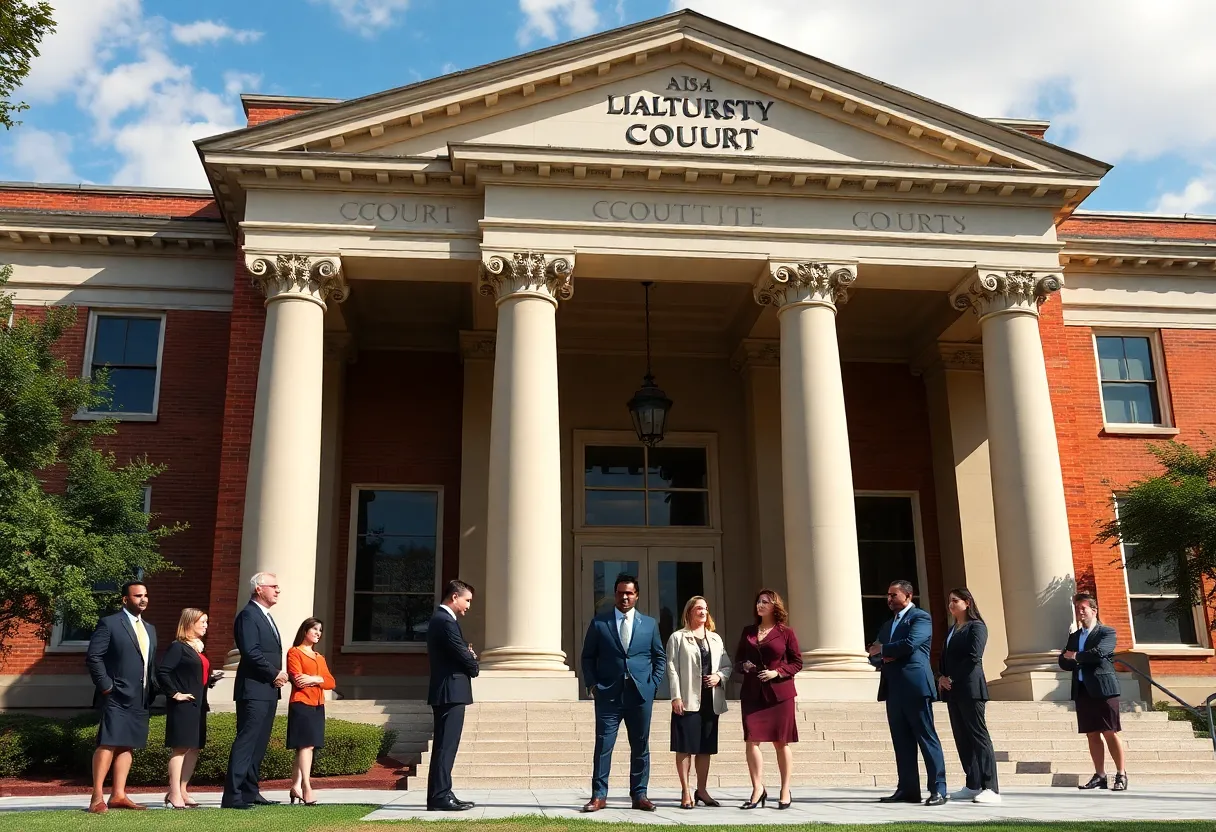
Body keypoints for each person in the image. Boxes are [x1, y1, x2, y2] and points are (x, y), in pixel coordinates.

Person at [580, 573, 665, 813]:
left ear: (636, 595)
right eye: (620, 593)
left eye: (629, 593)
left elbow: (659, 656)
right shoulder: (600, 623)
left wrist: (653, 684)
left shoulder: (649, 624)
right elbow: (588, 657)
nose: (624, 597)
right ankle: (599, 795)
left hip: (640, 694)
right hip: (608, 694)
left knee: (640, 745)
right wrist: (593, 685)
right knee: (603, 744)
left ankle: (640, 795)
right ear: (615, 595)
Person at [868, 579, 948, 806]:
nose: (889, 599)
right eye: (888, 595)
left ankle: (938, 789)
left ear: (908, 596)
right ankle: (907, 789)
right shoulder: (887, 625)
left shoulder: (920, 618)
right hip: (893, 688)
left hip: (915, 687)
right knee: (901, 741)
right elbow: (873, 653)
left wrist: (884, 650)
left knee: (926, 737)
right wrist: (882, 654)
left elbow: (911, 643)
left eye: (894, 595)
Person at [84, 580, 158, 814]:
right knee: (108, 742)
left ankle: (118, 795)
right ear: (125, 599)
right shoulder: (110, 624)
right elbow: (94, 657)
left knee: (127, 746)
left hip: (140, 696)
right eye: (137, 596)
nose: (143, 599)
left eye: (145, 595)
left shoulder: (150, 629)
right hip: (116, 695)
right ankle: (97, 797)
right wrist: (107, 686)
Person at [222, 572, 289, 810]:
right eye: (274, 586)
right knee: (247, 741)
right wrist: (274, 673)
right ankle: (233, 796)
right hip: (253, 690)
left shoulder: (265, 616)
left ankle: (250, 792)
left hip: (267, 690)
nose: (278, 590)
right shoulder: (248, 615)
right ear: (259, 589)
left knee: (259, 743)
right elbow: (250, 652)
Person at [734, 588, 802, 810]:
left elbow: (797, 662)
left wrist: (778, 672)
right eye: (758, 601)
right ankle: (757, 788)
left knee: (780, 742)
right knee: (751, 740)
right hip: (753, 694)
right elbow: (738, 660)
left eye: (765, 602)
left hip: (779, 695)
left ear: (775, 606)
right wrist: (744, 666)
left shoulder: (786, 633)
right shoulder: (748, 631)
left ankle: (784, 789)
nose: (759, 605)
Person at [666, 596, 732, 810]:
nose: (703, 612)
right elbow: (672, 668)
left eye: (705, 608)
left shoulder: (715, 639)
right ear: (689, 612)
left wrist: (719, 677)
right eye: (698, 609)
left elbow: (726, 665)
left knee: (705, 748)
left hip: (710, 701)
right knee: (685, 747)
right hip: (687, 700)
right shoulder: (678, 637)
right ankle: (686, 791)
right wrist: (675, 696)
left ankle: (701, 790)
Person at [1059, 592, 1127, 791]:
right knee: (1091, 734)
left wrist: (1076, 656)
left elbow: (1099, 654)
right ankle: (1100, 775)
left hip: (1104, 690)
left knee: (1109, 732)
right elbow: (1063, 660)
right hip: (1082, 690)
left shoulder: (1106, 632)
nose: (1080, 612)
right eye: (1077, 609)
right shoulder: (1074, 636)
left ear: (1094, 611)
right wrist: (1073, 657)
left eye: (1083, 608)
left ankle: (1121, 774)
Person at [938, 588, 999, 804]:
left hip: (971, 689)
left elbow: (974, 657)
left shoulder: (977, 627)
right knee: (962, 738)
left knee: (978, 737)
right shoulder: (952, 629)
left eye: (955, 600)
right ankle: (973, 784)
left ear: (967, 603)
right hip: (952, 691)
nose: (951, 604)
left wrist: (952, 678)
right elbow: (945, 657)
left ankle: (991, 787)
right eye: (949, 601)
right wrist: (942, 677)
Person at [156, 608, 221, 809]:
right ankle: (173, 791)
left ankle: (183, 790)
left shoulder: (198, 648)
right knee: (181, 748)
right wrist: (175, 694)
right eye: (202, 622)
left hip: (199, 705)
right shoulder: (179, 647)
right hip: (183, 705)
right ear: (189, 624)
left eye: (207, 622)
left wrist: (210, 679)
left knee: (194, 748)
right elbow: (163, 672)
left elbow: (193, 674)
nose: (205, 626)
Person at [425, 579, 479, 812]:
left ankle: (443, 791)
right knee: (446, 747)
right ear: (454, 597)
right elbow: (462, 654)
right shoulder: (445, 621)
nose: (468, 605)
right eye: (467, 600)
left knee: (446, 746)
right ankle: (439, 796)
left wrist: (467, 654)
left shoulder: (444, 620)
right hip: (449, 692)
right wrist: (473, 662)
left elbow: (460, 650)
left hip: (449, 691)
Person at [286, 617, 337, 806]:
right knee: (305, 746)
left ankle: (296, 786)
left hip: (317, 704)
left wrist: (314, 678)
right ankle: (307, 787)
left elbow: (330, 682)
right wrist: (318, 679)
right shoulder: (294, 652)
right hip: (301, 703)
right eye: (314, 629)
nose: (318, 633)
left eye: (320, 630)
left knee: (308, 747)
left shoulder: (319, 657)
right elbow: (298, 679)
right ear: (305, 631)